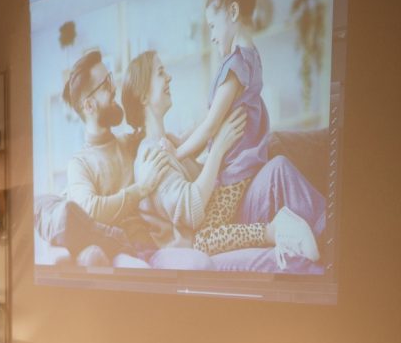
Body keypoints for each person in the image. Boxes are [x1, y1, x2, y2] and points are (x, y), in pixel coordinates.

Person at [121, 50, 327, 274]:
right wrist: (218, 149)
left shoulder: (168, 141)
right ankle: (328, 247)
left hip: (222, 219)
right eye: (161, 73)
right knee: (287, 258)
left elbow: (204, 133)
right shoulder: (150, 155)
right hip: (204, 243)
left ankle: (330, 231)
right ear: (143, 96)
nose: (169, 77)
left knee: (278, 168)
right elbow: (191, 211)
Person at [170, 0, 323, 266]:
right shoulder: (250, 56)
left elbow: (209, 127)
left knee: (202, 240)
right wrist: (180, 139)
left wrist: (175, 155)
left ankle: (276, 229)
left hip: (235, 172)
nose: (213, 35)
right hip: (242, 165)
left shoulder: (236, 65)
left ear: (233, 12)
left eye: (213, 26)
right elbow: (207, 120)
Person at [55, 49, 212, 270]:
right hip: (122, 253)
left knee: (198, 262)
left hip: (154, 248)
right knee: (191, 265)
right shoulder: (79, 164)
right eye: (106, 85)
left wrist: (216, 117)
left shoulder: (129, 143)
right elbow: (89, 210)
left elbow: (180, 142)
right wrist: (141, 188)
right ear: (89, 106)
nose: (114, 88)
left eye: (110, 79)